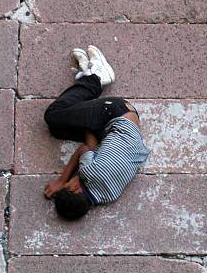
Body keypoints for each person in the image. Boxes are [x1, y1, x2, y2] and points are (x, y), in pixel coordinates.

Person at [43, 45, 149, 220]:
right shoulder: (88, 173)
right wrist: (62, 180)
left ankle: (85, 81)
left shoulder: (108, 197)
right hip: (117, 112)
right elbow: (86, 147)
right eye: (69, 185)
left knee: (56, 129)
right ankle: (97, 77)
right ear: (74, 188)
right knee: (53, 116)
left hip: (130, 131)